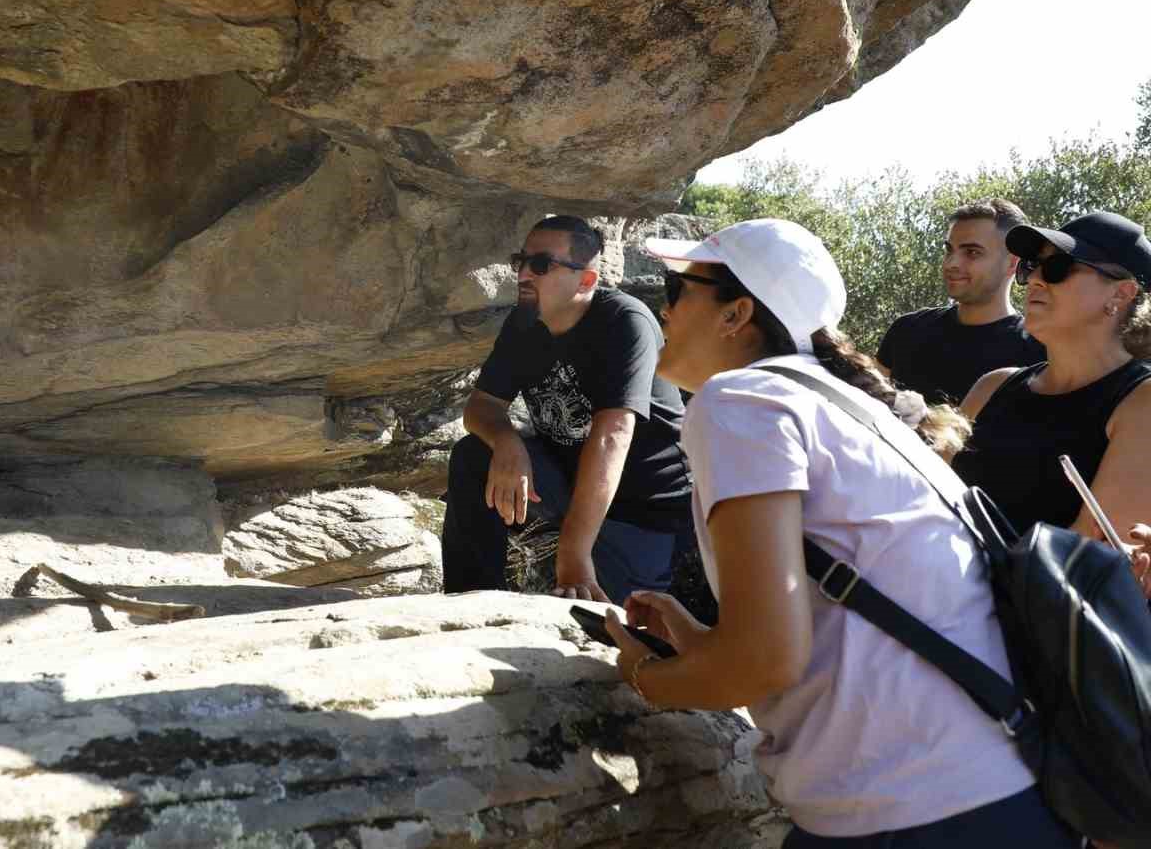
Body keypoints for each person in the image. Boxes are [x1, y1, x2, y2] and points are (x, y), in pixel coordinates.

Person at [602, 217, 1077, 847]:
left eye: (677, 287)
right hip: (993, 794)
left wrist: (642, 679)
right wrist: (700, 643)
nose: (663, 309)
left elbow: (764, 660)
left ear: (735, 313)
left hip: (908, 813)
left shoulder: (743, 401)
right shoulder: (840, 404)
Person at [442, 215, 691, 605]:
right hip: (567, 486)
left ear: (586, 281)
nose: (524, 273)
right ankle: (473, 601)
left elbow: (612, 435)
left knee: (617, 628)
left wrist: (574, 557)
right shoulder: (524, 323)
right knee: (475, 455)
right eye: (520, 261)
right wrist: (507, 442)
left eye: (540, 265)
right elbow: (482, 407)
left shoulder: (625, 322)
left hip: (642, 511)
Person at [954, 212, 1151, 577]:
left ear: (1121, 293)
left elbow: (1081, 563)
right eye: (1031, 267)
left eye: (1058, 267)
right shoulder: (992, 387)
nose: (1035, 281)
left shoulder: (1142, 403)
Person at [877, 199, 1044, 405]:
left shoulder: (1038, 351)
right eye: (949, 250)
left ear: (1012, 263)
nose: (952, 263)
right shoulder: (907, 329)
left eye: (972, 252)